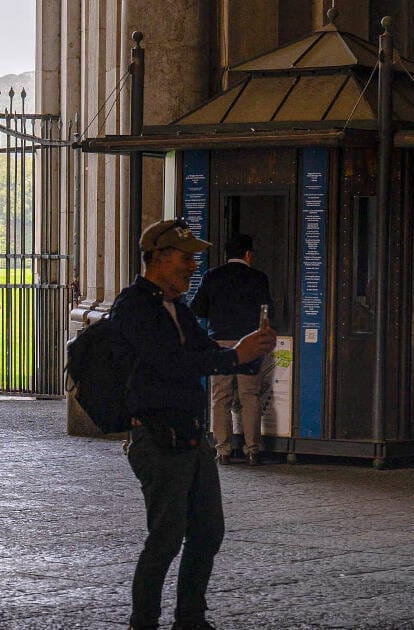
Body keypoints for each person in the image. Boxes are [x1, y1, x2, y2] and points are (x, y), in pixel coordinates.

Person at [112, 220, 276, 629]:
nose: (191, 267)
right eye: (185, 258)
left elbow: (205, 352)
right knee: (166, 537)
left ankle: (190, 618)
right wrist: (234, 357)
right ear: (158, 258)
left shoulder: (177, 309)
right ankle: (144, 620)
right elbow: (170, 363)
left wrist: (247, 351)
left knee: (207, 531)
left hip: (190, 435)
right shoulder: (134, 306)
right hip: (157, 437)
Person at [189, 234, 274, 466]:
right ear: (248, 254)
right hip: (250, 343)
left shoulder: (212, 276)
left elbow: (197, 308)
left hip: (219, 343)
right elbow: (267, 311)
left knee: (220, 396)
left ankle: (223, 449)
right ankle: (252, 449)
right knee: (250, 396)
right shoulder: (258, 278)